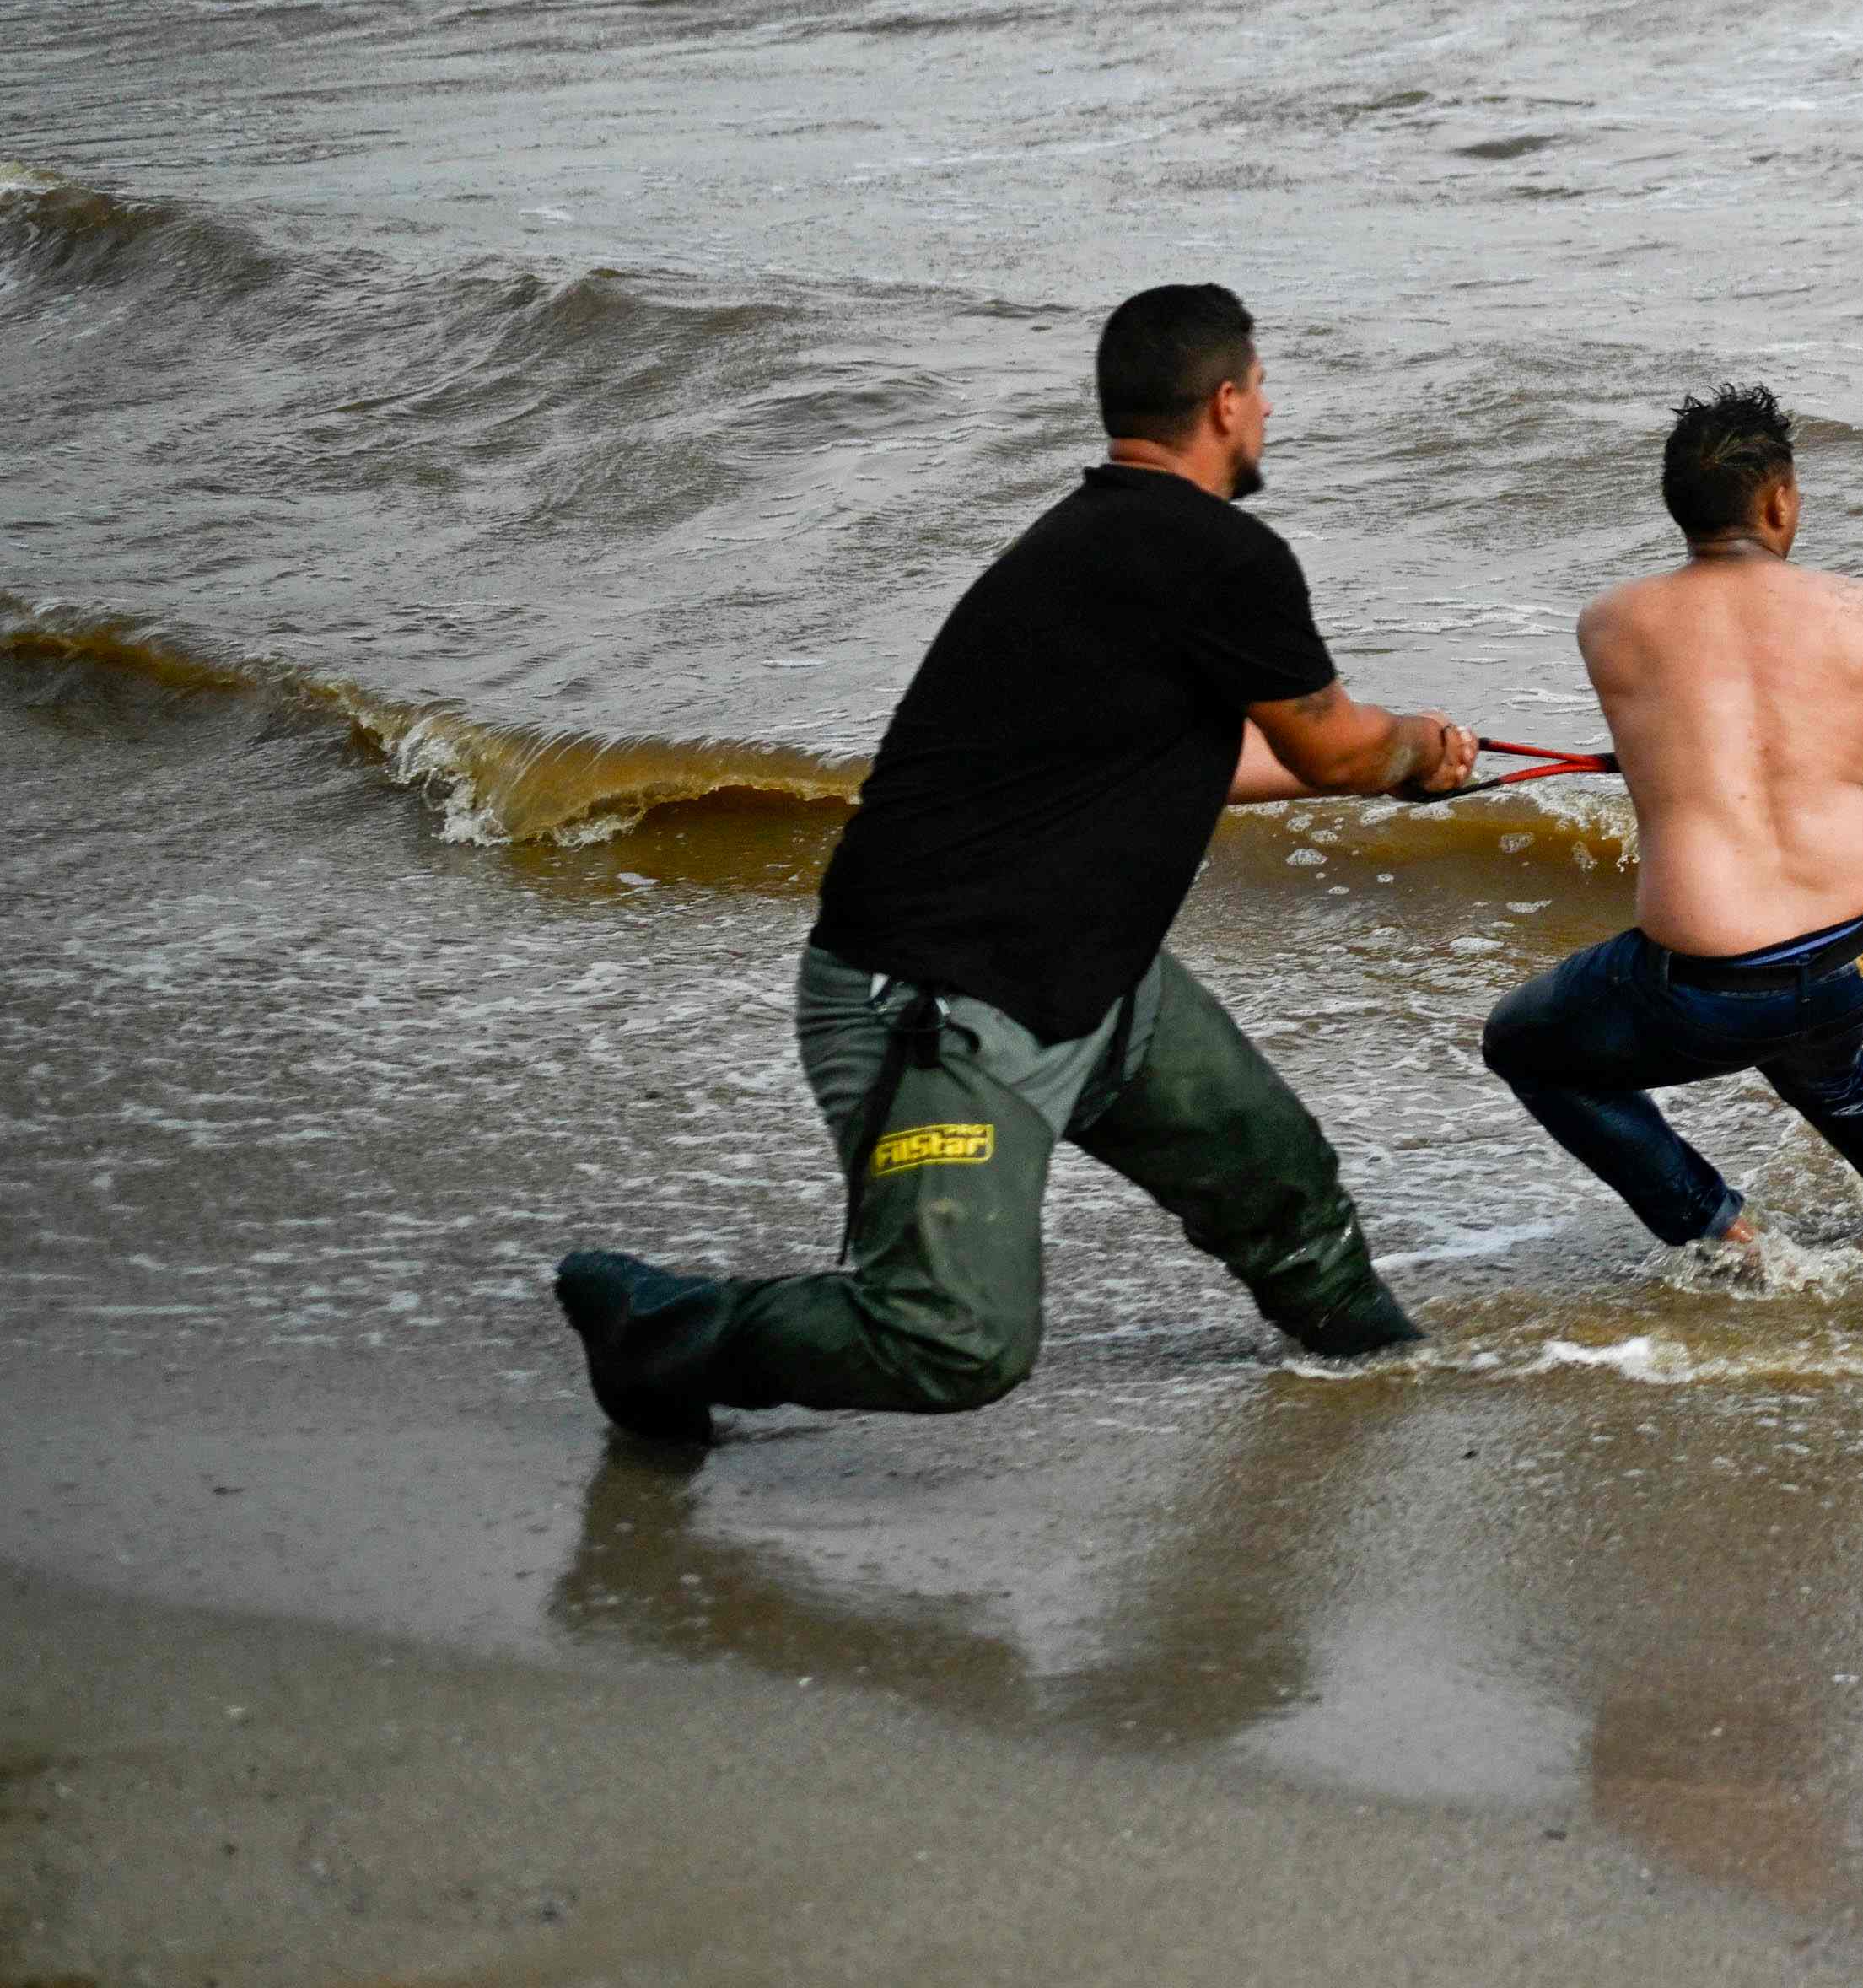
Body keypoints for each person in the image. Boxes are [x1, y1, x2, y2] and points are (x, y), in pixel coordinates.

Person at [550, 285, 1482, 1447]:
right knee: (952, 1338)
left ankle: (1393, 1384)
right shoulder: (1215, 553)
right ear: (1230, 402)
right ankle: (657, 1329)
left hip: (1091, 980)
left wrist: (1383, 765)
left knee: (1281, 1188)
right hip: (937, 998)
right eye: (1264, 391)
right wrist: (1412, 750)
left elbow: (1196, 758)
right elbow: (1334, 744)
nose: (1272, 412)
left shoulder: (1090, 543)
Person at [1477, 384, 1863, 1266]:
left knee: (1525, 1046)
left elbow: (1703, 733)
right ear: (1778, 501)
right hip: (1856, 959)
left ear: (1678, 508)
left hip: (1705, 989)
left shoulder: (1610, 625)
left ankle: (1717, 1227)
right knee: (1827, 1065)